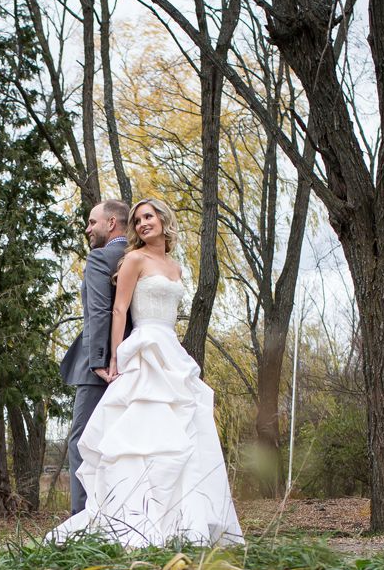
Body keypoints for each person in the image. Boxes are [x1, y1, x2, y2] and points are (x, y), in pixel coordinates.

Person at [49, 197, 242, 547]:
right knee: (136, 437)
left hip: (170, 351)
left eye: (149, 217)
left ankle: (181, 521)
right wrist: (112, 359)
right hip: (142, 349)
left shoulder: (176, 267)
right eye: (138, 220)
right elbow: (117, 309)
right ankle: (129, 518)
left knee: (180, 437)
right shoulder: (133, 259)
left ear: (164, 220)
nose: (142, 224)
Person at [57, 189, 131, 516]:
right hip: (137, 361)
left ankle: (83, 518)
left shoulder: (102, 258)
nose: (88, 229)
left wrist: (99, 360)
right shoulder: (142, 259)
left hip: (100, 367)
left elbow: (100, 311)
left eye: (92, 222)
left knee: (82, 442)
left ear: (111, 223)